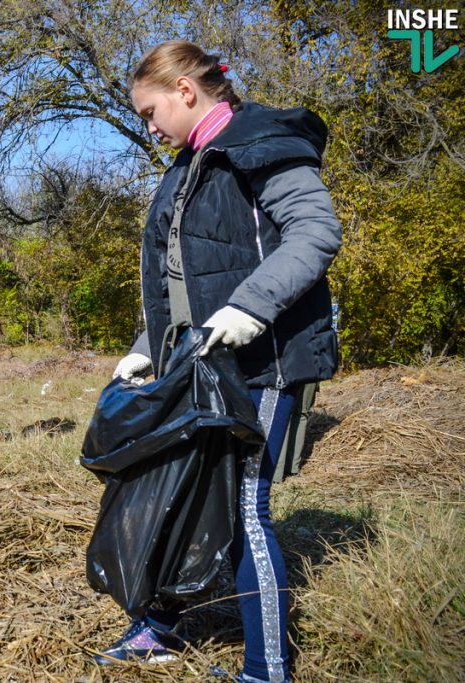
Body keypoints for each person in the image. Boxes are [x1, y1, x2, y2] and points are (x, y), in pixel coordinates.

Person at [99, 41, 341, 683]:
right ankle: (161, 627)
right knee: (177, 494)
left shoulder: (262, 138)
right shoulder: (186, 165)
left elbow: (315, 232)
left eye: (151, 111)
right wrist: (146, 348)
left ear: (185, 90)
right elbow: (175, 274)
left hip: (265, 359)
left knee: (241, 503)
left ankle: (267, 670)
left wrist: (250, 308)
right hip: (194, 361)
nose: (149, 126)